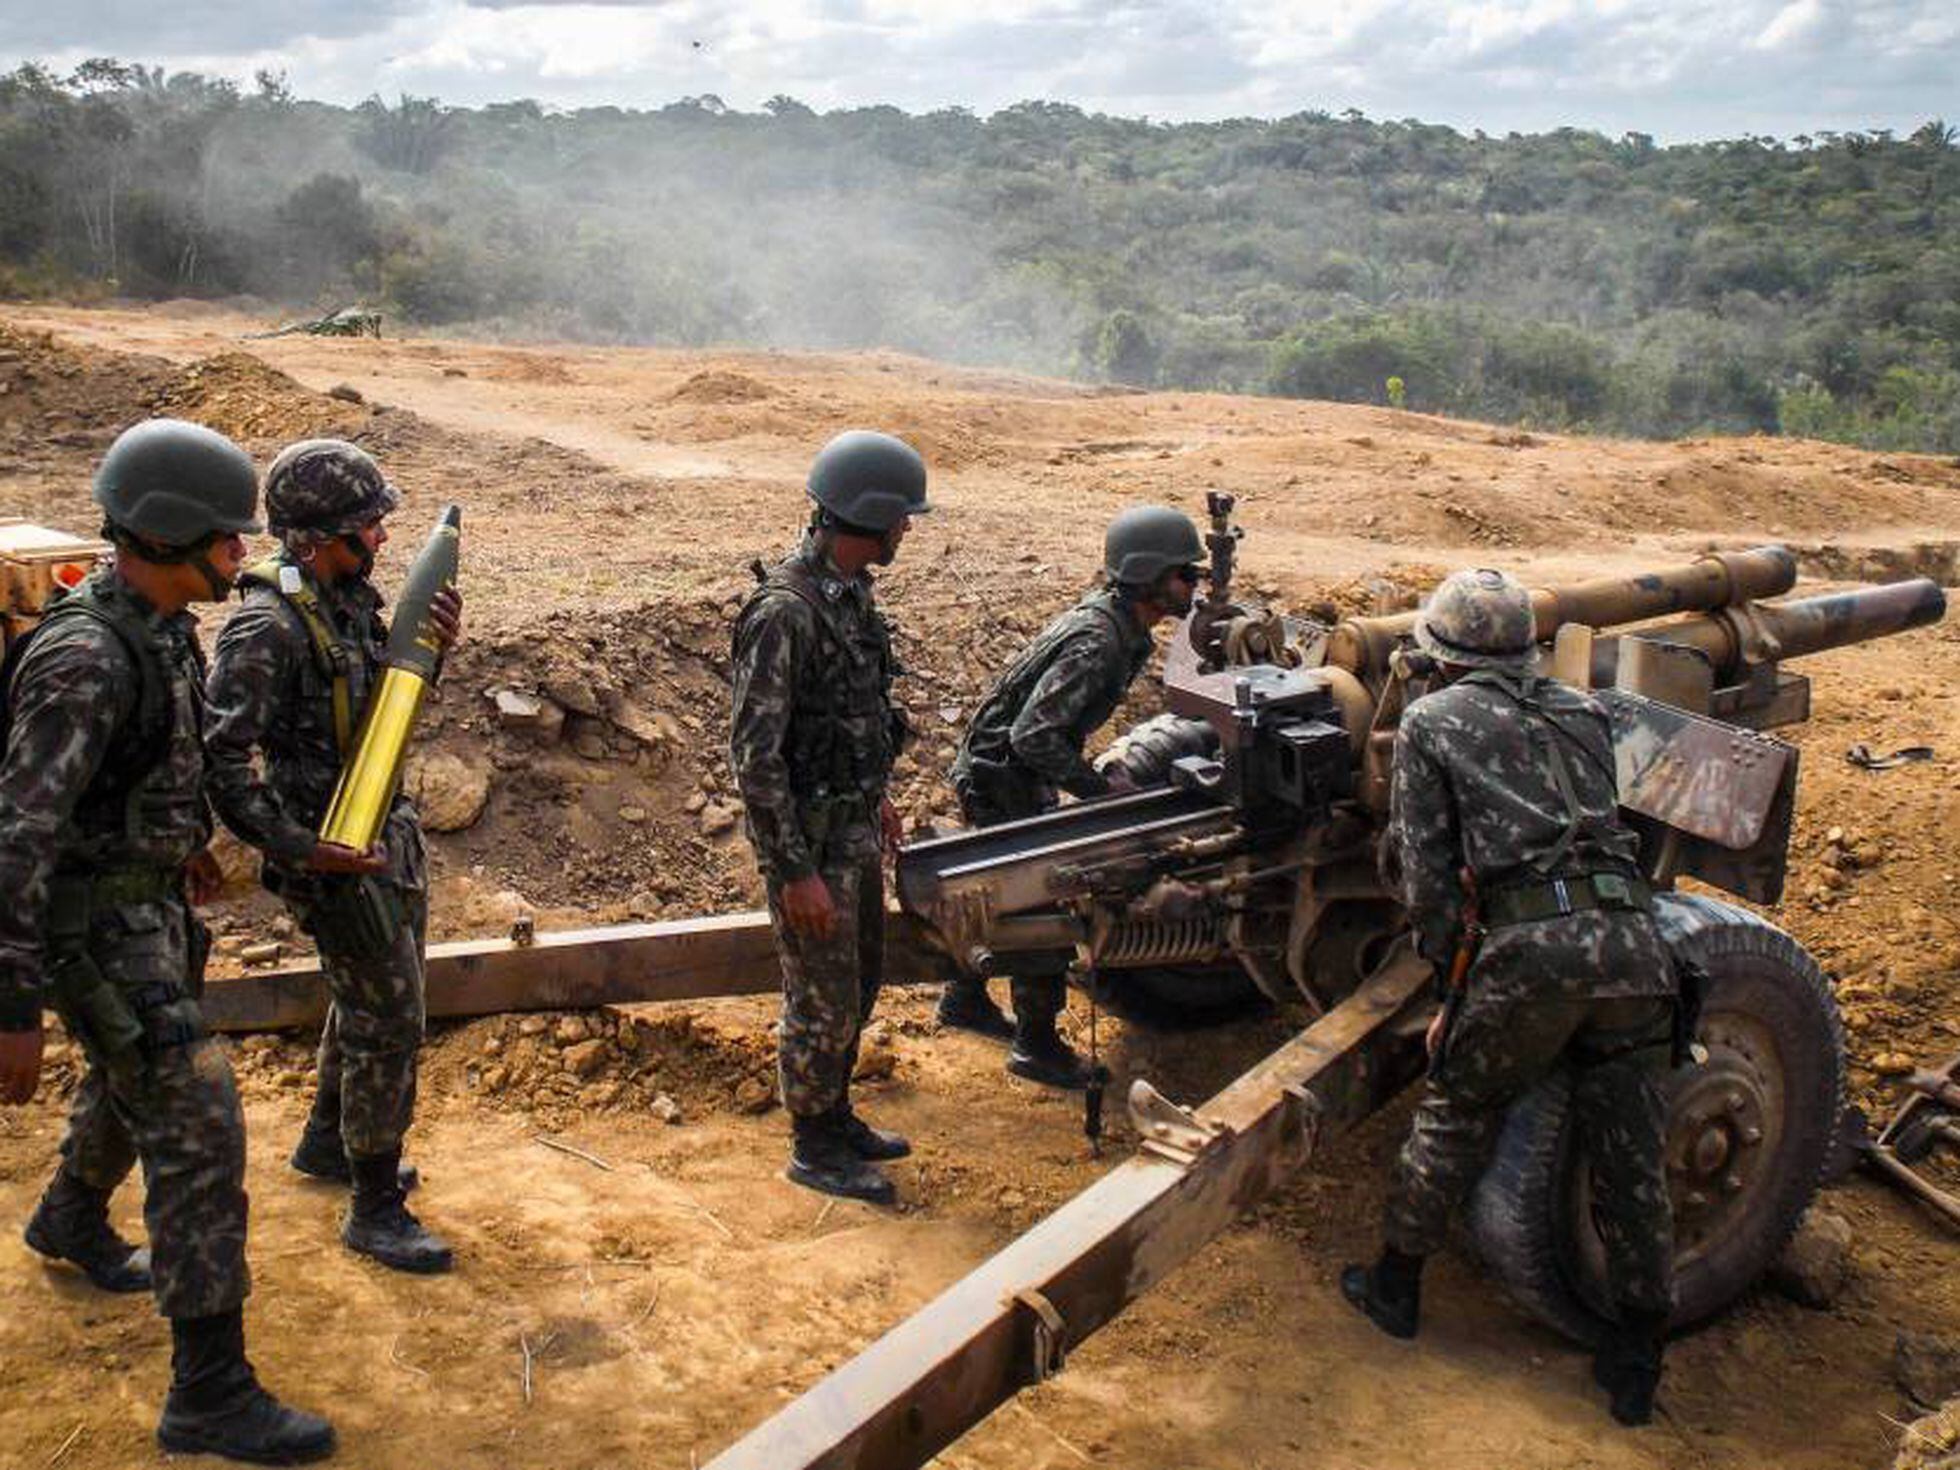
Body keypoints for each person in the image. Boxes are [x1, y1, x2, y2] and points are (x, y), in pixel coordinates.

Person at [0, 418, 335, 1463]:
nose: (244, 555)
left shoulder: (150, 631)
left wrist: (182, 843)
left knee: (128, 1077)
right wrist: (11, 1012)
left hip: (141, 913)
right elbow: (16, 840)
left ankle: (69, 1221)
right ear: (167, 532)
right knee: (197, 1122)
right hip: (92, 931)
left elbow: (142, 772)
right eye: (229, 538)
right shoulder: (88, 660)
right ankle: (210, 1391)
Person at [1340, 567, 1678, 1427]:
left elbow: (1427, 874)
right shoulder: (1586, 711)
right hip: (1636, 946)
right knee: (1632, 1150)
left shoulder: (1431, 720)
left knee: (1454, 1109)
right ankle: (1636, 1358)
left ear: (1440, 653)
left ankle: (1394, 1287)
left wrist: (1451, 983)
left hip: (1532, 957)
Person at [204, 439, 459, 1275]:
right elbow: (222, 762)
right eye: (365, 529)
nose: (382, 540)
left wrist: (434, 650)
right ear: (313, 540)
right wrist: (299, 848)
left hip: (379, 835)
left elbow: (377, 698)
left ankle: (326, 1143)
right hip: (332, 853)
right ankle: (374, 1207)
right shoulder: (265, 625)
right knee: (390, 1020)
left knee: (366, 1003)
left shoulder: (342, 598)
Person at [729, 430, 928, 1205]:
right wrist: (793, 873)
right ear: (870, 516)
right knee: (820, 996)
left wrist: (875, 794)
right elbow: (757, 758)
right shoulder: (785, 612)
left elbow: (851, 712)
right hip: (809, 845)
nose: (906, 530)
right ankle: (813, 1146)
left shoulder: (848, 597)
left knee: (856, 985)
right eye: (901, 516)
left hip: (849, 829)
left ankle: (835, 1112)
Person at [942, 505, 1204, 1088]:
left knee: (1002, 899)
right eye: (1186, 573)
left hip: (1002, 770)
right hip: (1002, 776)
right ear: (1150, 574)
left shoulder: (1118, 625)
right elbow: (1032, 735)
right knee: (1041, 907)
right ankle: (1035, 1046)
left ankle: (963, 999)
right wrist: (1094, 789)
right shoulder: (1099, 641)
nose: (1194, 585)